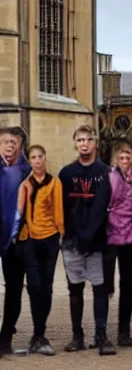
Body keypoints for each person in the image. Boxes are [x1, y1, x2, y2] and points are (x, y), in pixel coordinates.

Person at [58, 125, 115, 355]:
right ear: (75, 143)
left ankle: (101, 335)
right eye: (80, 139)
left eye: (88, 139)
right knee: (75, 289)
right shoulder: (66, 174)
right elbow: (61, 207)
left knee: (100, 288)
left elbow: (109, 207)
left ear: (95, 143)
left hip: (98, 241)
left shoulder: (106, 172)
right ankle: (77, 335)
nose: (84, 144)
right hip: (73, 241)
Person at [15, 145, 63, 355]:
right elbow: (20, 212)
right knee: (34, 286)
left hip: (50, 238)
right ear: (30, 160)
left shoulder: (54, 182)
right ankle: (37, 335)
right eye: (33, 157)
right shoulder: (25, 184)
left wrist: (60, 233)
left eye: (40, 157)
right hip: (30, 239)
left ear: (45, 158)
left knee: (47, 286)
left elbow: (58, 210)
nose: (37, 161)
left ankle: (39, 334)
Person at [103, 140, 132, 347]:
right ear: (115, 158)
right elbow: (107, 205)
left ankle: (124, 331)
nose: (125, 160)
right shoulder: (111, 177)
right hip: (112, 235)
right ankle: (101, 332)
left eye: (128, 156)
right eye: (121, 156)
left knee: (127, 284)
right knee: (106, 285)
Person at [0, 126, 30, 355]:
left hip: (15, 241)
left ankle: (5, 337)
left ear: (20, 146)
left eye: (14, 142)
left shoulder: (28, 171)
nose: (10, 146)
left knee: (14, 289)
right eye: (6, 141)